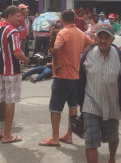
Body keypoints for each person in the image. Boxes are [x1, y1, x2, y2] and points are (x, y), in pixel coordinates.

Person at [78, 24, 121, 163]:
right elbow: (80, 79)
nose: (103, 40)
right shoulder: (87, 54)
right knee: (91, 141)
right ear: (96, 37)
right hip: (91, 103)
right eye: (100, 37)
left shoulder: (120, 56)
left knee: (112, 137)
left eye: (106, 37)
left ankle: (111, 160)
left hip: (112, 104)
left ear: (112, 38)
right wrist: (78, 102)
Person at [39, 10, 94, 147]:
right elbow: (91, 43)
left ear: (62, 19)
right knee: (72, 106)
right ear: (74, 19)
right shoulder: (80, 33)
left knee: (55, 107)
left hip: (62, 75)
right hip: (75, 76)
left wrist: (56, 64)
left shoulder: (63, 33)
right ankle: (69, 135)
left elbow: (57, 48)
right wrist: (80, 52)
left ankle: (55, 137)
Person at [0, 5, 29, 143]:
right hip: (11, 71)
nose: (20, 18)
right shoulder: (12, 31)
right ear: (10, 16)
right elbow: (17, 52)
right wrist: (26, 59)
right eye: (18, 16)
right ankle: (7, 135)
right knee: (10, 102)